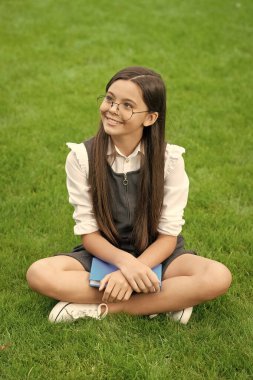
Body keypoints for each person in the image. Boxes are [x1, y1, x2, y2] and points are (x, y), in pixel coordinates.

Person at [26, 66, 232, 324]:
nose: (112, 109)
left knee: (217, 276)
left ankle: (100, 308)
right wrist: (126, 265)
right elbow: (89, 234)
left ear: (150, 118)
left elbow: (168, 237)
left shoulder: (170, 160)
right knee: (40, 274)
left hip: (159, 253)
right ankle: (165, 301)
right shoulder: (81, 157)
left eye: (126, 105)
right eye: (109, 99)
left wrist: (132, 272)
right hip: (104, 253)